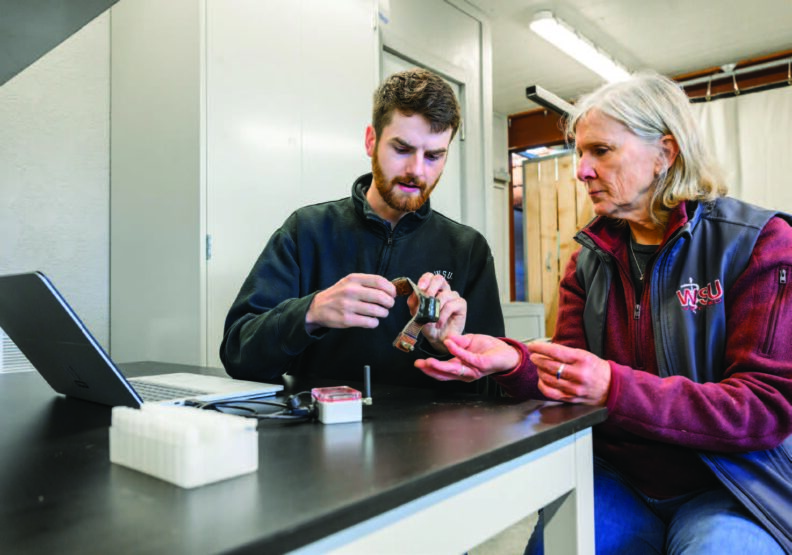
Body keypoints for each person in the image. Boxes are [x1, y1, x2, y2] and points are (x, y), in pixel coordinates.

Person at [416, 72, 792, 554]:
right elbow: (569, 378)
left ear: (665, 153)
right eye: (579, 153)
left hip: (728, 487)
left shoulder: (758, 244)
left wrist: (614, 388)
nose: (582, 170)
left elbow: (763, 410)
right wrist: (512, 361)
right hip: (622, 480)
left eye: (602, 151)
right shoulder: (589, 260)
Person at [220, 68, 504, 390]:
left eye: (434, 156)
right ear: (371, 141)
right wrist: (311, 313)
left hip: (425, 437)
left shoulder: (468, 250)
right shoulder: (307, 231)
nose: (416, 170)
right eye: (402, 149)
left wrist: (446, 348)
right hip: (314, 431)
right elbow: (237, 353)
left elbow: (495, 389)